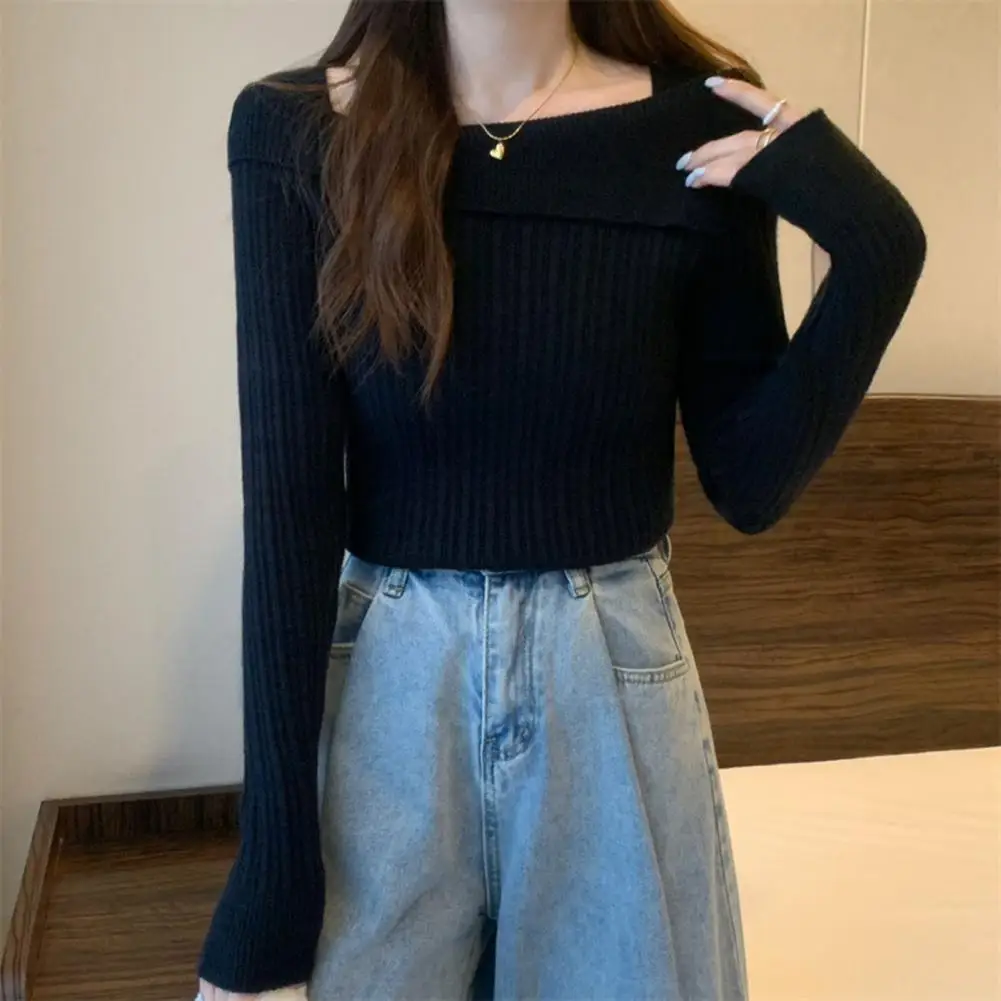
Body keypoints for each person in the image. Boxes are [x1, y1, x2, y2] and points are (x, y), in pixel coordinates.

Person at [195, 0, 926, 998]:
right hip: (390, 695)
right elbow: (289, 515)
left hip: (614, 681)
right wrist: (267, 891)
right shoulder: (295, 130)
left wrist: (875, 245)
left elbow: (750, 483)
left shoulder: (690, 127)